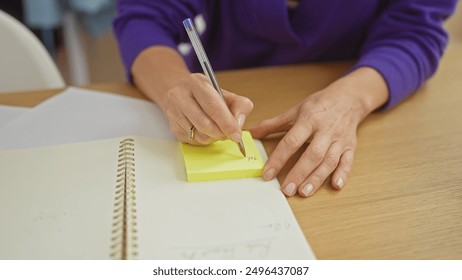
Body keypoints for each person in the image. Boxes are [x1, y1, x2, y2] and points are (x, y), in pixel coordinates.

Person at [113, 0, 457, 198]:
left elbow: (415, 32)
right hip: (231, 86)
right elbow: (144, 16)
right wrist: (175, 87)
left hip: (369, 92)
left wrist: (351, 100)